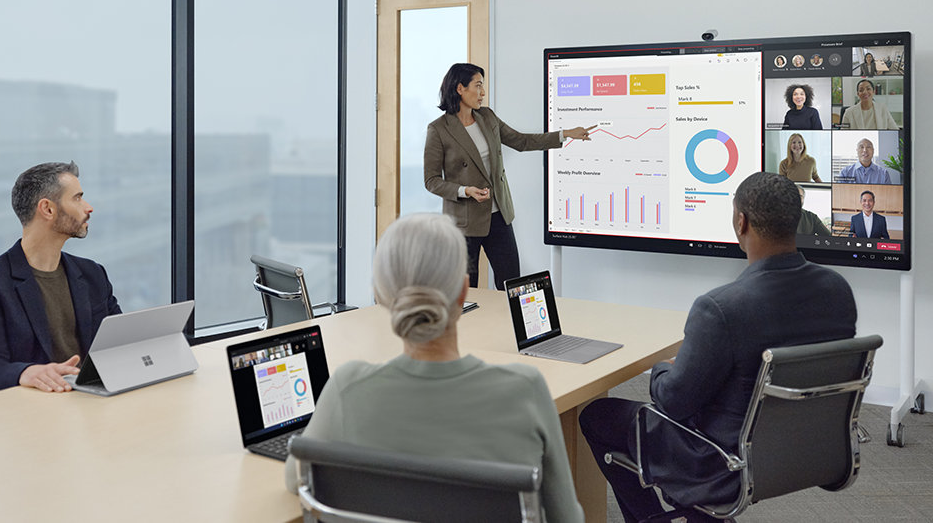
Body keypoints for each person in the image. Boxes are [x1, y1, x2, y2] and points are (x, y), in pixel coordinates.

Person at [578, 172, 856, 523]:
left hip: (723, 461)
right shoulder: (837, 290)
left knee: (596, 416)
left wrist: (665, 367)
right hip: (804, 453)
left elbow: (673, 402)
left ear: (741, 223)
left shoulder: (722, 307)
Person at [285, 213, 584, 522]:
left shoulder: (346, 389)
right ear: (464, 291)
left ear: (382, 296)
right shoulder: (525, 390)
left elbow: (297, 479)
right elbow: (566, 517)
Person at [424, 63, 593, 289]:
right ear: (459, 88)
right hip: (464, 223)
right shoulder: (439, 129)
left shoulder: (487, 117)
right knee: (466, 292)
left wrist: (564, 135)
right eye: (478, 86)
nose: (483, 93)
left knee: (512, 286)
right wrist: (464, 191)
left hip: (498, 216)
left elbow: (521, 141)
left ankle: (510, 325)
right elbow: (431, 180)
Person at [0, 162, 121, 395]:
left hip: (93, 403)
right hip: (34, 413)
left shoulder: (93, 274)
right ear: (48, 209)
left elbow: (119, 343)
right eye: (77, 198)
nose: (89, 207)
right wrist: (25, 372)